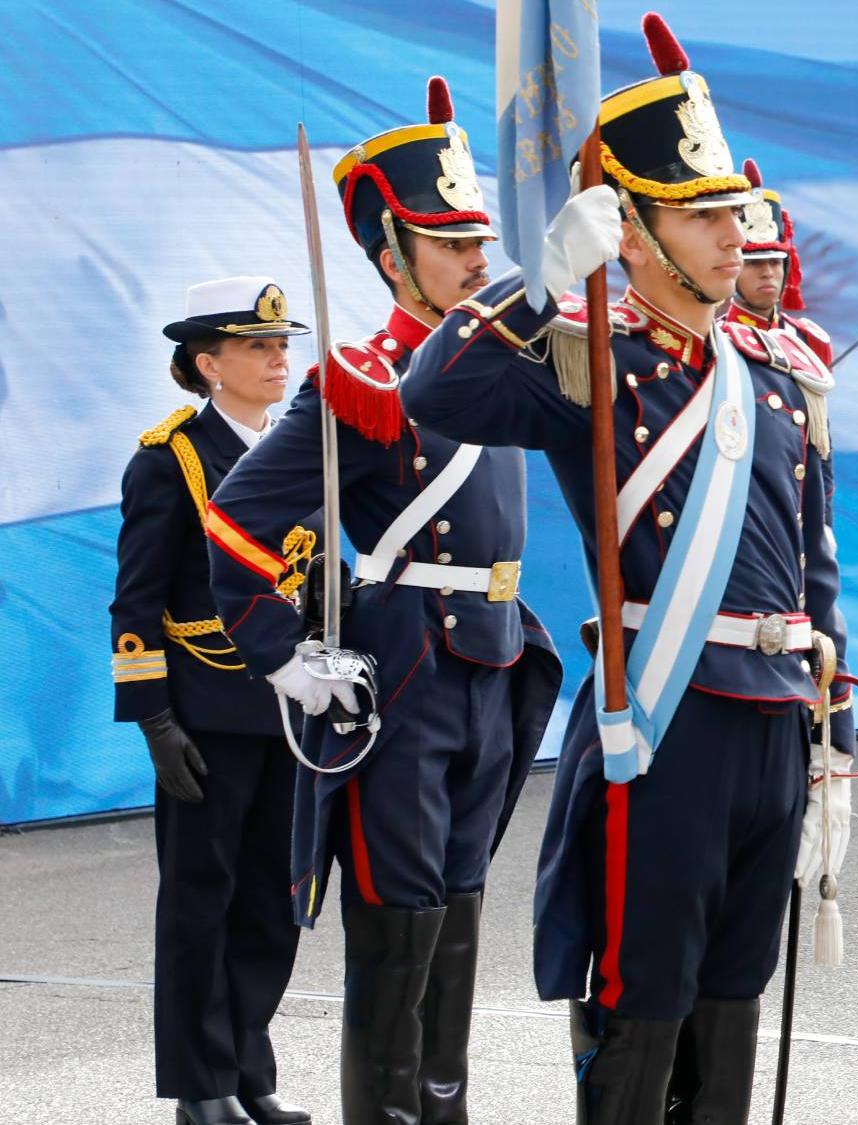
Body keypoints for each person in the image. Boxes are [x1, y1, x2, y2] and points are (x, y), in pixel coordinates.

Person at [398, 14, 856, 1124]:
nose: (730, 237)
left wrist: (830, 721)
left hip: (771, 710)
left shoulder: (776, 373)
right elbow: (438, 396)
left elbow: (813, 561)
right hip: (667, 712)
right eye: (701, 219)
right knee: (642, 981)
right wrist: (540, 284)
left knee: (737, 980)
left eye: (732, 214)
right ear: (635, 231)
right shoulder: (588, 356)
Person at [204, 78, 561, 1124]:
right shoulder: (359, 379)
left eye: (477, 241)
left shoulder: (503, 367)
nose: (475, 262)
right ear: (390, 254)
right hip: (405, 665)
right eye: (448, 244)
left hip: (496, 655)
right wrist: (278, 653)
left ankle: (440, 1111)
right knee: (398, 913)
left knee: (458, 906)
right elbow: (234, 519)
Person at [114, 277, 315, 1125]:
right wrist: (154, 719)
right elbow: (135, 600)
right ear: (208, 363)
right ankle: (201, 1085)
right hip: (206, 709)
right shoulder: (170, 460)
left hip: (289, 706)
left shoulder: (300, 447)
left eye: (281, 344)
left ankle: (249, 1069)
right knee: (203, 898)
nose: (279, 358)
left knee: (274, 896)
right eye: (257, 346)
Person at [725, 158, 835, 366]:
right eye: (754, 263)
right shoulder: (713, 340)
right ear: (733, 267)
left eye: (775, 262)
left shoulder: (810, 340)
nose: (767, 272)